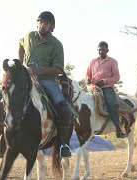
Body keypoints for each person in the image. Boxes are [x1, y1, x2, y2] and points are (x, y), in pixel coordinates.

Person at [19, 11, 72, 157]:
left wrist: (38, 70)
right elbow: (20, 45)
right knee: (6, 97)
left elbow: (59, 69)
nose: (42, 26)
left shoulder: (56, 45)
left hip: (47, 80)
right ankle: (0, 140)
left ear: (52, 27)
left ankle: (63, 144)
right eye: (40, 22)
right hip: (26, 78)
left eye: (46, 24)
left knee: (63, 107)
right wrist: (21, 64)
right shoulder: (29, 36)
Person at [85, 41, 127, 138]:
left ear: (107, 50)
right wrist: (87, 79)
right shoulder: (92, 61)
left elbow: (116, 77)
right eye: (100, 49)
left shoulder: (112, 62)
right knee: (84, 103)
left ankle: (118, 129)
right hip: (93, 87)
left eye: (103, 50)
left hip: (106, 88)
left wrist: (104, 81)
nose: (101, 51)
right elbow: (88, 73)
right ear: (97, 50)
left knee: (111, 104)